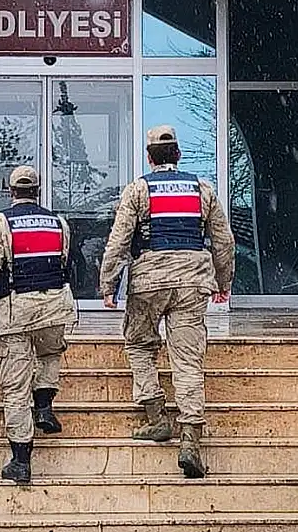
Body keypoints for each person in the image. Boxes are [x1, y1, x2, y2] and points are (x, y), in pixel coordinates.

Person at [99, 125, 235, 479]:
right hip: (192, 281)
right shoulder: (202, 189)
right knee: (187, 358)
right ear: (178, 155)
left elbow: (118, 242)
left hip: (149, 280)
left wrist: (108, 285)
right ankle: (190, 438)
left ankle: (157, 417)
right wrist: (224, 282)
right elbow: (224, 241)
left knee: (140, 344)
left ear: (149, 157)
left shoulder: (138, 189)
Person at [0, 166, 76, 484]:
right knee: (49, 355)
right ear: (38, 189)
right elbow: (62, 260)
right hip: (56, 305)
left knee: (15, 387)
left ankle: (21, 460)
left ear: (11, 191)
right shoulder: (58, 222)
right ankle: (45, 406)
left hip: (17, 310)